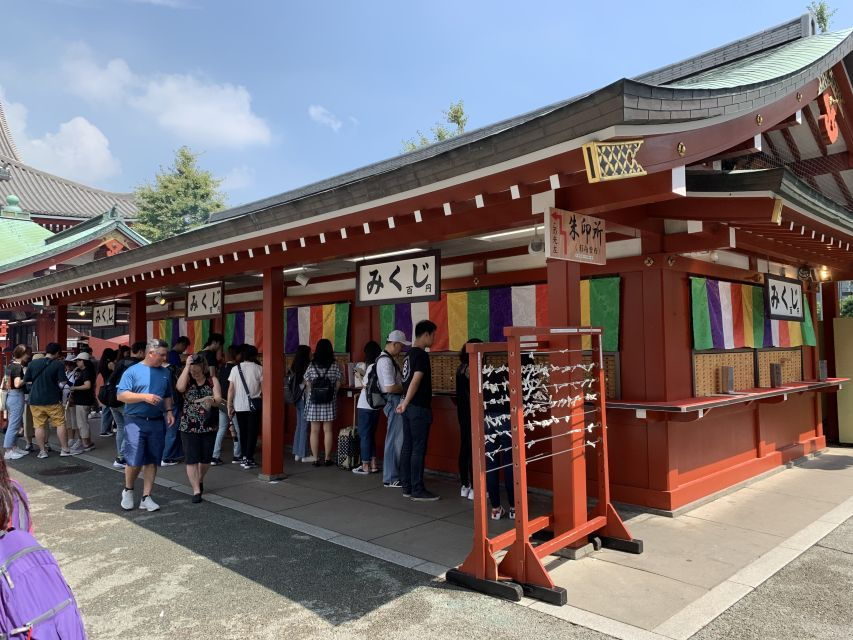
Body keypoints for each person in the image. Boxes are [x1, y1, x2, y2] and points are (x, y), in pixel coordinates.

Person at [117, 339, 175, 512]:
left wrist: (169, 411)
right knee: (134, 459)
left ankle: (146, 497)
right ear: (151, 353)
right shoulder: (132, 371)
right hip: (135, 419)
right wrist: (144, 397)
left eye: (166, 355)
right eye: (162, 355)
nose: (165, 358)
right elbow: (121, 395)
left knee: (152, 460)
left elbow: (167, 394)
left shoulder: (165, 372)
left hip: (157, 420)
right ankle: (128, 490)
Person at [397, 320, 439, 501]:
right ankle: (417, 489)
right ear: (426, 334)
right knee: (418, 449)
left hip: (408, 407)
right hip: (418, 407)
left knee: (408, 447)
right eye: (434, 335)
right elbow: (415, 380)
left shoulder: (408, 355)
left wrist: (404, 403)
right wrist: (406, 402)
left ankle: (406, 486)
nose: (434, 339)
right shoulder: (421, 355)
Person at [176, 354, 222, 503]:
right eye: (192, 369)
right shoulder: (187, 381)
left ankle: (199, 479)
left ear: (203, 367)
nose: (194, 372)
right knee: (191, 459)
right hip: (188, 425)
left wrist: (211, 402)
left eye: (197, 369)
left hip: (208, 425)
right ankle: (196, 490)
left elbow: (218, 399)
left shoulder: (211, 380)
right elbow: (179, 387)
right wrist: (186, 367)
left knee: (206, 459)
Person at [23, 342, 72, 458]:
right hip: (52, 399)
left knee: (38, 426)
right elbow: (63, 382)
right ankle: (64, 449)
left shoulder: (33, 363)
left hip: (35, 400)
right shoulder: (58, 364)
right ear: (57, 353)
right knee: (60, 423)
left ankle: (42, 451)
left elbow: (27, 380)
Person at [483, 355, 515, 520]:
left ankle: (495, 508)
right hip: (507, 420)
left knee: (492, 465)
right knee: (511, 464)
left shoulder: (489, 376)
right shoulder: (512, 377)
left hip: (488, 420)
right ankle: (514, 507)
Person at [304, 338, 342, 467]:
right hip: (329, 401)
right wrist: (333, 393)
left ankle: (315, 458)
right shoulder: (334, 365)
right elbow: (338, 382)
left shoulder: (311, 365)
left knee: (314, 431)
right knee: (328, 430)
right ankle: (327, 458)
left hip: (314, 401)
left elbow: (307, 382)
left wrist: (313, 392)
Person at [108, 341, 146, 469]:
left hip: (114, 400)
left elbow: (111, 380)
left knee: (120, 428)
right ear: (141, 351)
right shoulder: (139, 365)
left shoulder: (121, 362)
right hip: (127, 401)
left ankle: (120, 456)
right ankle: (122, 457)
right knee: (130, 428)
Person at [379, 330, 408, 488]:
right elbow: (390, 387)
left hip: (392, 401)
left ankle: (392, 475)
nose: (402, 350)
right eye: (401, 346)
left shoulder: (386, 359)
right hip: (393, 400)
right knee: (394, 440)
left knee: (395, 439)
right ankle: (391, 476)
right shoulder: (385, 361)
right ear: (394, 344)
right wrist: (405, 387)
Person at [227, 344, 262, 469]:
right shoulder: (259, 369)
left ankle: (243, 457)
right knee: (252, 432)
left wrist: (229, 405)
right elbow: (263, 388)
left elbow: (231, 389)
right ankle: (249, 458)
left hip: (239, 405)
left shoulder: (235, 369)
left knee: (243, 431)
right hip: (254, 406)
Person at [455, 338, 482, 499]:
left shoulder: (460, 368)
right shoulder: (472, 369)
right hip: (473, 413)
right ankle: (475, 487)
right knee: (474, 449)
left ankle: (465, 485)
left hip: (462, 413)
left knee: (465, 447)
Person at [353, 341, 382, 475]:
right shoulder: (381, 365)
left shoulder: (370, 367)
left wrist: (359, 376)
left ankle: (365, 465)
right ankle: (374, 464)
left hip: (365, 404)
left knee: (364, 435)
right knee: (371, 435)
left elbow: (365, 385)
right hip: (376, 405)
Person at [212, 345, 241, 466]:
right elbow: (233, 388)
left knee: (222, 429)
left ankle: (215, 456)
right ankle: (237, 455)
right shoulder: (235, 368)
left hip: (221, 401)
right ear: (237, 355)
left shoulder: (222, 367)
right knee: (237, 429)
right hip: (232, 402)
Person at [2, 345, 30, 460]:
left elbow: (6, 383)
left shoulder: (10, 365)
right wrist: (28, 378)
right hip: (16, 395)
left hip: (10, 395)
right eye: (27, 353)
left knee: (14, 423)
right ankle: (9, 450)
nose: (29, 356)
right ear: (22, 354)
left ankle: (13, 447)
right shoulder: (18, 367)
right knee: (14, 424)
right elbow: (18, 384)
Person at [288, 345, 312, 463]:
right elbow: (308, 383)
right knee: (304, 426)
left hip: (296, 398)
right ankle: (303, 454)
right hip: (304, 398)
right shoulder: (307, 366)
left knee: (299, 425)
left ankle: (297, 452)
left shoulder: (293, 366)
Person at [69, 352, 97, 453]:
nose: (76, 362)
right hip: (85, 400)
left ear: (83, 361)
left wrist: (74, 387)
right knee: (83, 422)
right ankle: (87, 442)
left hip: (83, 400)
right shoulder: (87, 370)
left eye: (78, 360)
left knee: (82, 423)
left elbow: (87, 385)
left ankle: (85, 444)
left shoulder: (86, 372)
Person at [97, 348, 117, 437]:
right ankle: (105, 430)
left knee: (106, 409)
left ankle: (104, 429)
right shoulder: (110, 364)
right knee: (109, 410)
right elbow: (116, 372)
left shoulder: (101, 363)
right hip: (111, 387)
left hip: (105, 386)